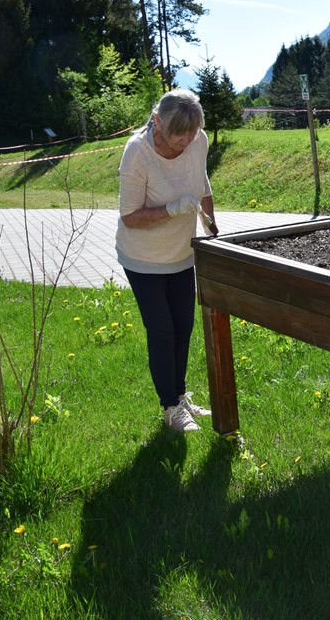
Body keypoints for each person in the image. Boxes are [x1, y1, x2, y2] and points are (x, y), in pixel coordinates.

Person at [116, 89, 218, 432]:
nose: (187, 141)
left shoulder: (197, 140)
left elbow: (202, 183)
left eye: (193, 132)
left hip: (181, 253)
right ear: (158, 121)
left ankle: (179, 395)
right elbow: (129, 216)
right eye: (179, 134)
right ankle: (170, 408)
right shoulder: (137, 153)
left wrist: (210, 226)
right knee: (162, 331)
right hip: (143, 258)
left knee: (183, 327)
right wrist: (172, 209)